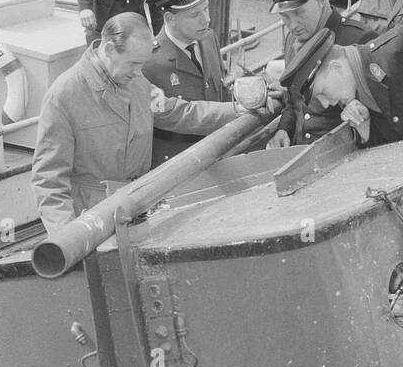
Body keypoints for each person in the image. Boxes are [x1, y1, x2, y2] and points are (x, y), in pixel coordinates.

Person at [31, 13, 248, 234]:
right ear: (108, 50)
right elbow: (49, 181)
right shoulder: (64, 96)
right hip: (92, 221)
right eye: (133, 64)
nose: (138, 72)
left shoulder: (134, 80)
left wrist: (238, 109)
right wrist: (68, 241)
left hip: (136, 210)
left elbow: (180, 113)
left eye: (142, 64)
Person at [262, 0, 380, 148]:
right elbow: (294, 100)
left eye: (299, 13)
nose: (292, 25)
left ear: (320, 1)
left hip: (343, 156)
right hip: (299, 153)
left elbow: (381, 117)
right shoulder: (292, 40)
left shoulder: (360, 40)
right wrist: (284, 129)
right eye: (285, 17)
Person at [142, 0, 229, 165]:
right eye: (195, 15)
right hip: (178, 168)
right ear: (170, 18)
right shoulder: (149, 62)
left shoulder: (208, 39)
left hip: (217, 155)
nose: (206, 20)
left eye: (206, 10)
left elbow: (220, 90)